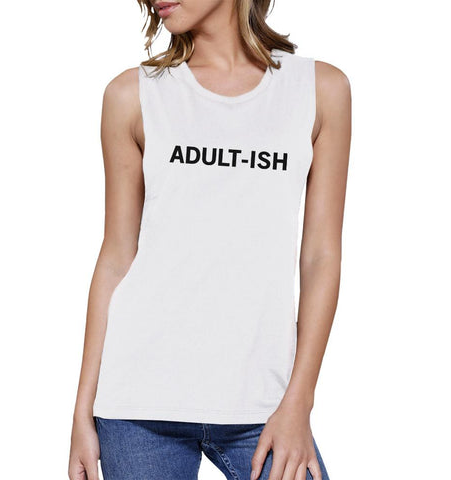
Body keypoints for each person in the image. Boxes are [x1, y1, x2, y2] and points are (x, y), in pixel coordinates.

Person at [68, 0, 352, 479]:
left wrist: (299, 401)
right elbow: (116, 257)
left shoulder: (320, 90)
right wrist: (82, 408)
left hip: (264, 404)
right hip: (137, 406)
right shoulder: (131, 95)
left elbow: (321, 257)